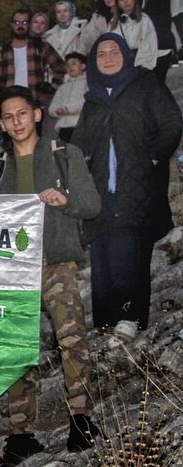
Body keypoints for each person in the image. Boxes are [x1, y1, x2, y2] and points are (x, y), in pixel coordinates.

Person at [0, 85, 104, 467]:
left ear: (38, 115)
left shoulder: (65, 155)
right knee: (15, 351)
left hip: (56, 262)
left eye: (22, 114)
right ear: (1, 123)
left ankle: (81, 419)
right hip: (12, 269)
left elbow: (92, 204)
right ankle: (21, 435)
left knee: (72, 336)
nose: (16, 122)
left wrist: (66, 201)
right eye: (9, 117)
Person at [72, 33, 183, 339]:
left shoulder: (145, 85)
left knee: (128, 249)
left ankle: (130, 317)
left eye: (113, 52)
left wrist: (154, 156)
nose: (107, 58)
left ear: (125, 54)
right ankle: (107, 322)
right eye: (101, 54)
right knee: (103, 254)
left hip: (137, 186)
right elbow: (78, 145)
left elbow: (172, 121)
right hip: (99, 191)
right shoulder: (92, 100)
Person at [0, 6, 66, 118]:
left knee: (35, 135)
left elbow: (61, 68)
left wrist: (50, 91)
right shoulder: (3, 50)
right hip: (10, 103)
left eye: (24, 22)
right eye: (17, 22)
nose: (20, 25)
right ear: (12, 25)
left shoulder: (41, 47)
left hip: (33, 102)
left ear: (29, 25)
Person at [48, 53, 88, 142]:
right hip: (63, 128)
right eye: (68, 65)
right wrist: (57, 111)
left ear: (82, 66)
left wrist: (68, 109)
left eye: (73, 64)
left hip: (80, 126)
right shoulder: (63, 87)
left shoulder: (88, 84)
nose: (70, 67)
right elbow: (53, 106)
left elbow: (86, 102)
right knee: (65, 153)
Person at [111, 0, 159, 70]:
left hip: (141, 63)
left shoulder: (144, 19)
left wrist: (142, 65)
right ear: (118, 4)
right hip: (121, 64)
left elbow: (150, 42)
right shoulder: (113, 23)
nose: (126, 1)